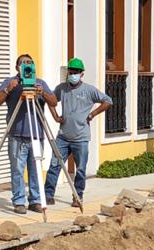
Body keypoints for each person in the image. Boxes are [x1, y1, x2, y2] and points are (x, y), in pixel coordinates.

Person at [0, 54, 58, 214]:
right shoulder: (10, 82)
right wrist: (9, 89)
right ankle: (19, 201)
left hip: (36, 135)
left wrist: (42, 93)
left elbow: (54, 102)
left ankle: (35, 201)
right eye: (24, 63)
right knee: (17, 171)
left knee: (35, 170)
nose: (27, 66)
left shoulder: (40, 83)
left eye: (30, 63)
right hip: (17, 135)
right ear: (17, 67)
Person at [45, 57, 112, 206]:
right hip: (63, 137)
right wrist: (55, 116)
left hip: (81, 137)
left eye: (76, 72)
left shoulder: (89, 90)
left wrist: (92, 114)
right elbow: (51, 100)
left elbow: (108, 101)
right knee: (54, 165)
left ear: (82, 74)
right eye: (71, 71)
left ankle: (77, 196)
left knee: (80, 169)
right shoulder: (61, 88)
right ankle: (48, 195)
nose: (73, 74)